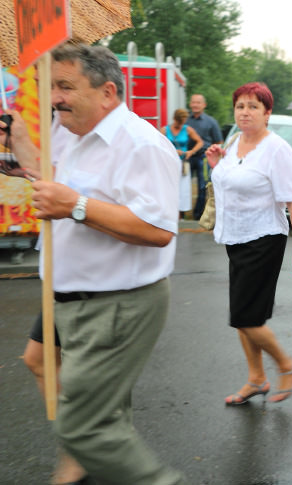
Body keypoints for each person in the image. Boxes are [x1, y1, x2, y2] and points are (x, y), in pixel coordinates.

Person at [20, 42, 186, 483]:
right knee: (101, 418)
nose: (54, 97)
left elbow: (158, 230)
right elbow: (47, 180)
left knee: (83, 427)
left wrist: (75, 204)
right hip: (68, 297)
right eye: (52, 85)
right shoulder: (66, 130)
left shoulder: (142, 145)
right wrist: (17, 137)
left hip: (115, 304)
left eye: (65, 86)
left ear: (108, 92)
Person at [205, 82, 292, 405]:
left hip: (263, 239)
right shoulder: (236, 141)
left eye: (253, 106)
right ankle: (256, 379)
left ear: (268, 113)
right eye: (240, 106)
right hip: (235, 238)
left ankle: (287, 365)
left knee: (244, 317)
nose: (245, 112)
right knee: (246, 315)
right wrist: (216, 166)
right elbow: (232, 181)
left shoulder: (277, 149)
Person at [1, 110, 88, 483]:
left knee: (83, 373)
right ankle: (81, 447)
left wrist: (23, 146)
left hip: (90, 267)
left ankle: (81, 451)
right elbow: (42, 173)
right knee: (39, 360)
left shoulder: (84, 121)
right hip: (60, 264)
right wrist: (17, 156)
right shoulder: (57, 119)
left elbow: (67, 188)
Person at [161, 108, 203, 219]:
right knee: (169, 187)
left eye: (183, 122)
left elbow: (200, 142)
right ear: (175, 119)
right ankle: (168, 212)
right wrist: (172, 151)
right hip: (169, 163)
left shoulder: (187, 129)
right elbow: (158, 145)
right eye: (179, 122)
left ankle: (181, 215)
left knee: (183, 189)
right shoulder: (165, 130)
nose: (181, 125)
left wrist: (191, 151)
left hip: (183, 163)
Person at [187, 93, 223, 219]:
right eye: (193, 102)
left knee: (203, 186)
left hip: (204, 157)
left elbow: (218, 141)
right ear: (190, 104)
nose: (195, 105)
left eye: (198, 103)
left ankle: (198, 215)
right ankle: (182, 213)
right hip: (188, 158)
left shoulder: (211, 122)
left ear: (204, 105)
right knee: (183, 184)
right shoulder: (186, 120)